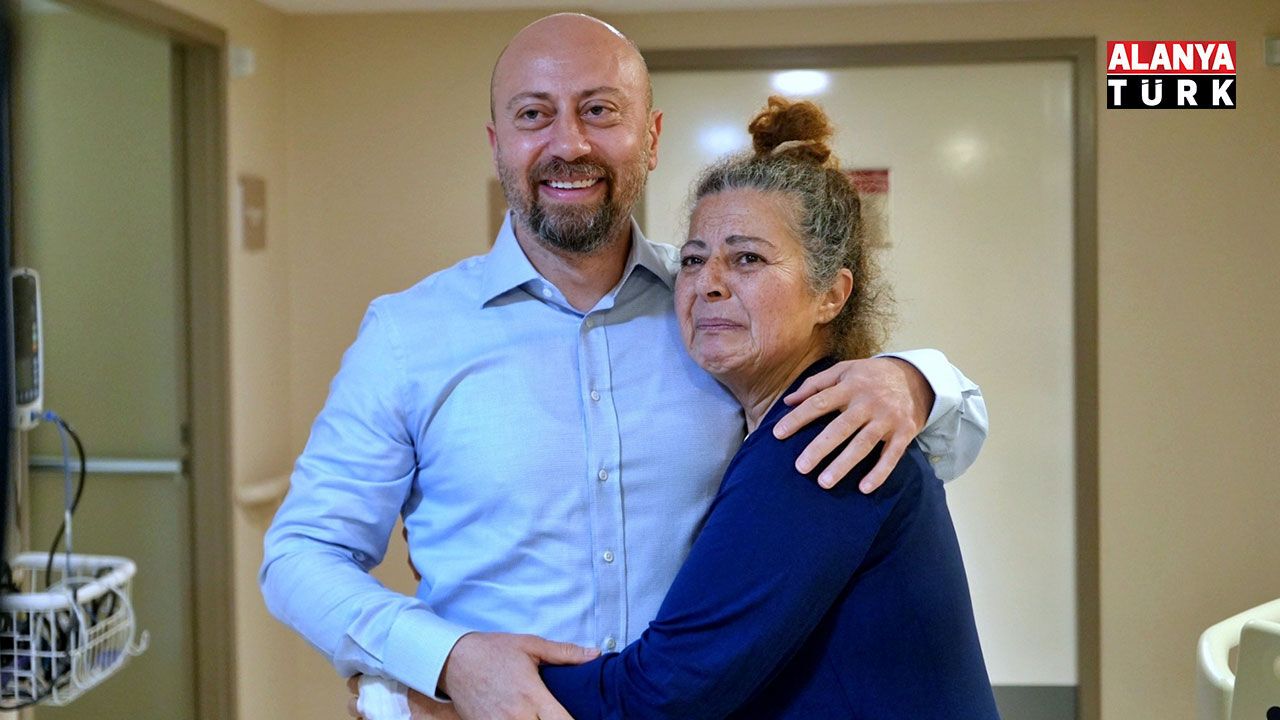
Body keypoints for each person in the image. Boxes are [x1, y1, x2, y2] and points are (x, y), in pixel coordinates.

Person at [263, 13, 988, 720]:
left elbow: (908, 454)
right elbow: (302, 555)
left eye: (600, 110)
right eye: (533, 114)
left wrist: (915, 380)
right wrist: (448, 661)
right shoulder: (408, 335)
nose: (568, 143)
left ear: (652, 137)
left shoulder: (713, 315)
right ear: (497, 143)